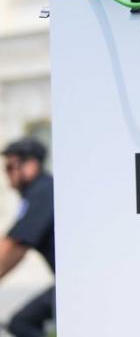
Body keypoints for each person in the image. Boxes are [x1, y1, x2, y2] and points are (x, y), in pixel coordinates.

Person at [0, 138, 54, 337]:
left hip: (79, 284)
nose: (7, 173)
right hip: (71, 283)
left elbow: (13, 247)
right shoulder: (42, 192)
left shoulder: (43, 193)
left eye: (10, 166)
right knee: (22, 322)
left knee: (22, 323)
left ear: (31, 165)